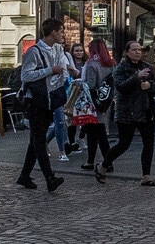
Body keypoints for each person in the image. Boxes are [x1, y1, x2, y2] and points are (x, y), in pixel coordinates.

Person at [17, 19, 68, 193]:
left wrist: (66, 72)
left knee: (35, 140)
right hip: (36, 101)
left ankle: (24, 175)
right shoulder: (34, 51)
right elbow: (26, 76)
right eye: (61, 31)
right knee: (39, 140)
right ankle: (49, 177)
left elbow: (62, 69)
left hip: (50, 99)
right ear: (53, 32)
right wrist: (49, 70)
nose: (63, 34)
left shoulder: (58, 49)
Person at [106, 39, 155, 187]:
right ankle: (104, 165)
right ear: (127, 52)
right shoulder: (120, 68)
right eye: (134, 50)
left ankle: (146, 176)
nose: (138, 52)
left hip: (145, 110)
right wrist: (136, 78)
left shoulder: (147, 67)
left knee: (148, 144)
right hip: (127, 112)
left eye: (139, 50)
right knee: (124, 144)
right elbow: (121, 87)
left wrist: (150, 85)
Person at [76, 38, 116, 182]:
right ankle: (91, 160)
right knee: (93, 131)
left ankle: (107, 161)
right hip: (105, 102)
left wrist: (80, 83)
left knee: (98, 133)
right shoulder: (110, 63)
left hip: (93, 102)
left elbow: (91, 85)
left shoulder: (92, 64)